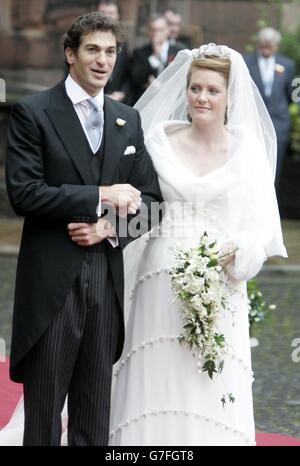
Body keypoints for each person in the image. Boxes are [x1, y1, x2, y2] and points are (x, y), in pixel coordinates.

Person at [108, 44, 287, 445]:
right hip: (158, 277)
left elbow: (260, 225)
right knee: (157, 373)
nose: (201, 98)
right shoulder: (158, 138)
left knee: (209, 375)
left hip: (221, 282)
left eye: (212, 90)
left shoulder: (249, 149)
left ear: (229, 97)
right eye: (195, 89)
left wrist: (242, 250)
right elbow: (141, 206)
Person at [4, 12, 162, 446]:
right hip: (52, 284)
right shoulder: (32, 113)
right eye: (92, 49)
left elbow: (154, 204)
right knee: (44, 418)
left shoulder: (127, 119)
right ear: (70, 53)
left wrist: (109, 227)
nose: (103, 60)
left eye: (110, 52)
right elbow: (25, 194)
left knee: (95, 414)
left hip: (106, 284)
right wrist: (100, 194)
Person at [244, 27, 296, 191]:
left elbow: (291, 95)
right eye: (264, 44)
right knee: (250, 169)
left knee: (275, 170)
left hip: (278, 126)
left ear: (277, 46)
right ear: (259, 44)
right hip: (252, 124)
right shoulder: (246, 62)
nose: (266, 47)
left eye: (270, 45)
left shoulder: (287, 65)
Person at [130, 14, 183, 104]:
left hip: (170, 101)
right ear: (149, 32)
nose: (156, 33)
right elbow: (136, 79)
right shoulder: (139, 53)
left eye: (160, 30)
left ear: (167, 31)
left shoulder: (178, 52)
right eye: (153, 30)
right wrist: (154, 55)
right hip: (146, 101)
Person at [97, 0, 132, 104]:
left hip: (116, 100)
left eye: (111, 13)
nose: (107, 17)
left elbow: (127, 71)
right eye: (103, 13)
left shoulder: (123, 42)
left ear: (118, 16)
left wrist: (122, 93)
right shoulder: (85, 39)